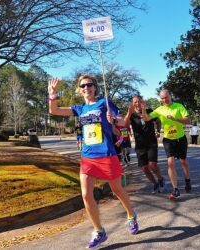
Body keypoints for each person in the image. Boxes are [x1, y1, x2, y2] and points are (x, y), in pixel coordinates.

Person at [48, 75, 138, 248]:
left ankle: (131, 215)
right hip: (88, 157)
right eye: (83, 86)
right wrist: (52, 94)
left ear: (95, 88)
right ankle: (99, 230)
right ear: (79, 89)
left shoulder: (104, 102)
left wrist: (119, 117)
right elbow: (55, 111)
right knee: (85, 194)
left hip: (106, 154)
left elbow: (122, 123)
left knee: (117, 190)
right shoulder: (79, 108)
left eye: (90, 85)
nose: (86, 88)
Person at [141, 90, 191, 200]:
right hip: (168, 139)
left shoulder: (179, 106)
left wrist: (175, 119)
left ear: (171, 95)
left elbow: (188, 120)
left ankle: (187, 180)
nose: (165, 100)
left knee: (183, 161)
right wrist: (144, 109)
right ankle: (175, 189)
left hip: (181, 138)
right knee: (170, 163)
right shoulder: (159, 109)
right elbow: (146, 118)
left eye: (166, 97)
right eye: (162, 98)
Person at [124, 95, 165, 194]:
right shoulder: (132, 115)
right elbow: (125, 125)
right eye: (135, 103)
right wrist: (129, 113)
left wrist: (158, 131)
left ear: (142, 101)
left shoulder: (150, 111)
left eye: (138, 101)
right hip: (140, 145)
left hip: (151, 142)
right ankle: (155, 184)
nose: (137, 104)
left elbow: (158, 121)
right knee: (145, 168)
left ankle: (160, 179)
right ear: (133, 105)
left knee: (152, 165)